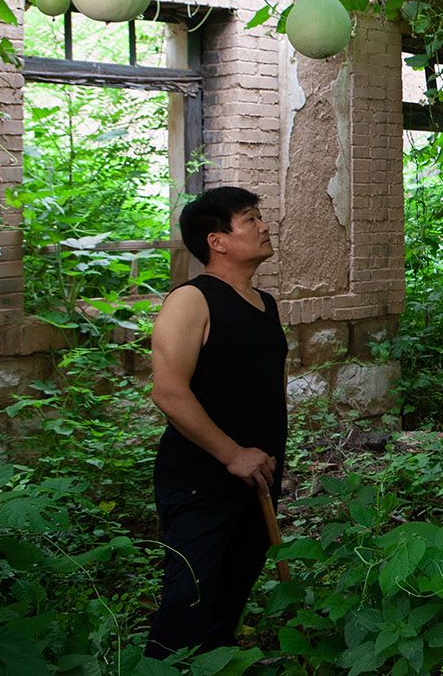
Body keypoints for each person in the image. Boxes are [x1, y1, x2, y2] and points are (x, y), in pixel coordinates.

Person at [144, 186, 287, 658]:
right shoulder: (191, 301)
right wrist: (233, 455)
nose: (264, 225)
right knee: (190, 600)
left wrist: (261, 458)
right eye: (250, 219)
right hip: (200, 480)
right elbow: (168, 391)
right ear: (217, 240)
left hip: (256, 476)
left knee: (230, 597)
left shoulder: (265, 304)